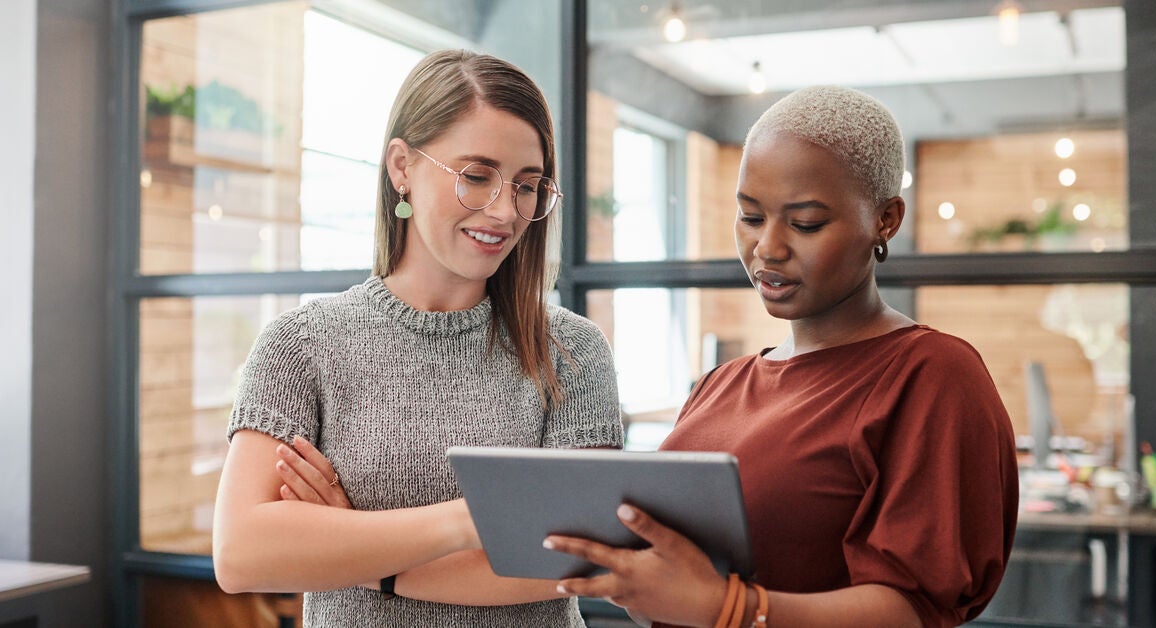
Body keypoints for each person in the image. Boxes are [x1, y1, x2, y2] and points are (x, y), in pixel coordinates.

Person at [543, 86, 1019, 627]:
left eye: (806, 223)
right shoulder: (720, 384)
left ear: (886, 220)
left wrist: (726, 608)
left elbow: (913, 608)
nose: (768, 247)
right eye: (750, 217)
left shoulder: (931, 376)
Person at [211, 49, 624, 627]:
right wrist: (468, 520)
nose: (505, 211)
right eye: (477, 176)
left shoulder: (571, 350)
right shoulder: (301, 343)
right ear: (402, 166)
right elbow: (242, 554)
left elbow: (572, 559)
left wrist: (361, 555)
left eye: (527, 186)